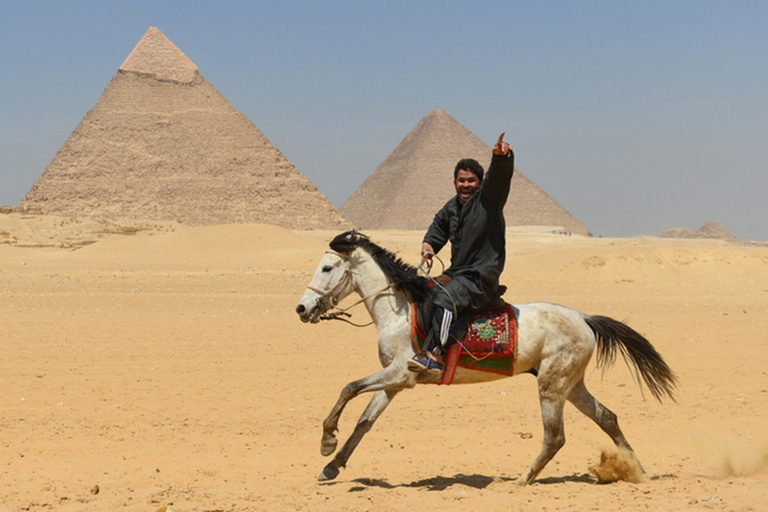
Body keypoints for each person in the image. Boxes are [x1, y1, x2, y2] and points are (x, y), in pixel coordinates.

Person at [408, 132, 514, 374]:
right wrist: (429, 246)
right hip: (458, 273)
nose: (466, 185)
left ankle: (436, 354)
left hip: (480, 275)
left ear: (480, 183)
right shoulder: (452, 206)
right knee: (424, 291)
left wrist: (500, 159)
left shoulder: (489, 200)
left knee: (446, 297)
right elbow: (438, 227)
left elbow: (499, 179)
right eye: (461, 180)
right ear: (454, 182)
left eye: (472, 180)